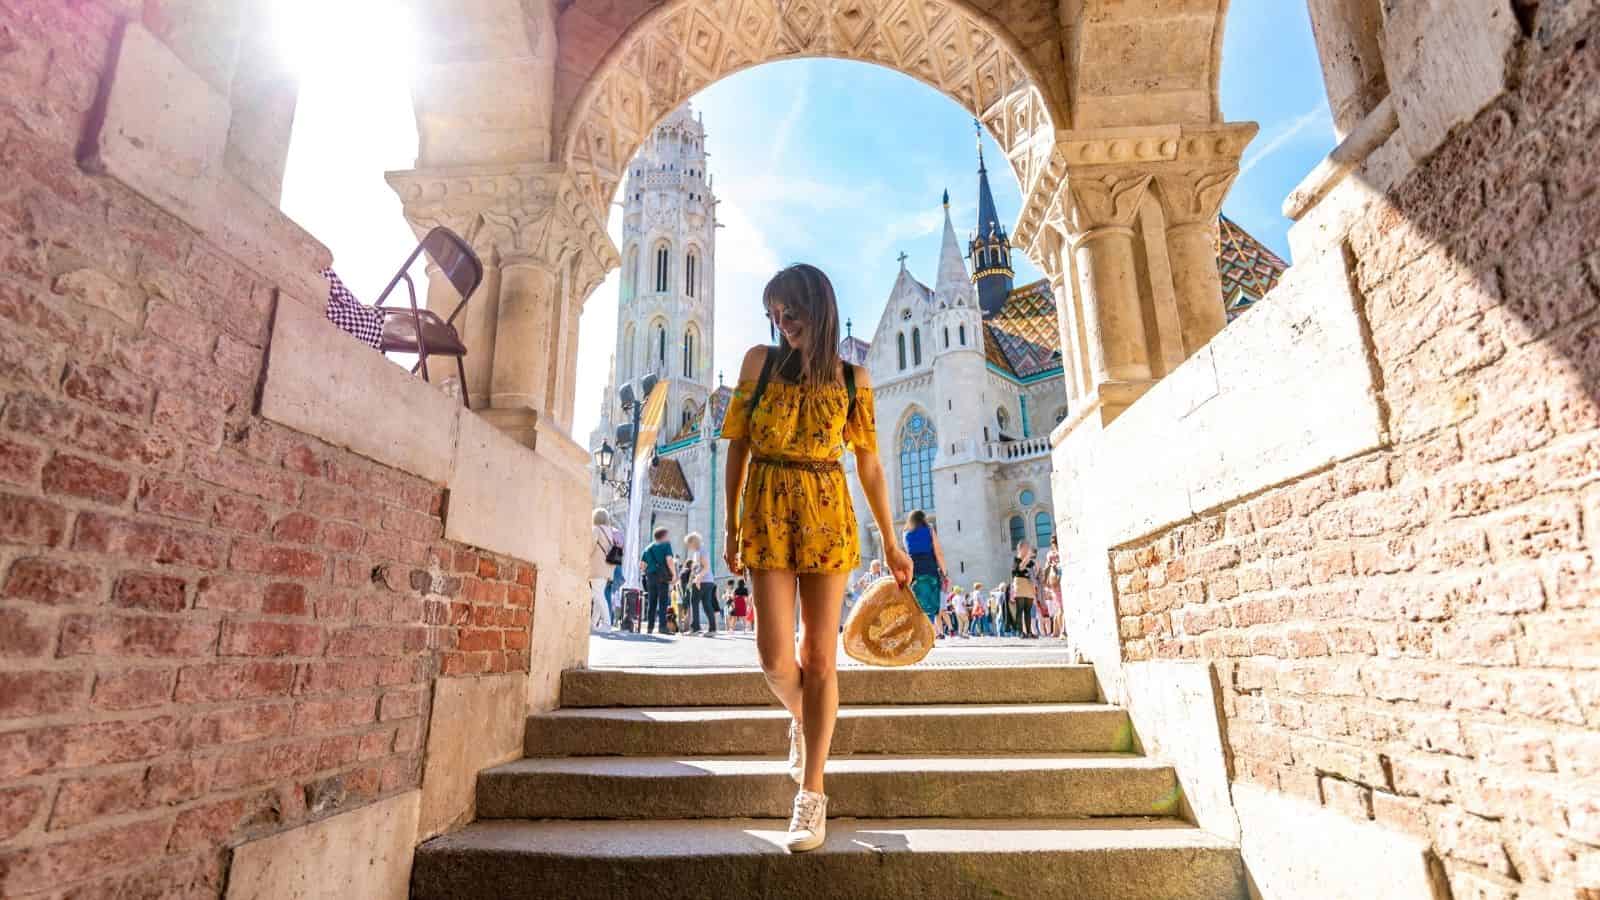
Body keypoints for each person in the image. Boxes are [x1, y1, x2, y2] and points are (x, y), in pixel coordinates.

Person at [721, 264, 911, 854]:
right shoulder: (760, 361)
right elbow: (739, 446)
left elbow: (871, 466)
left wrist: (892, 536)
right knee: (776, 658)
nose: (783, 322)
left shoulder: (856, 381)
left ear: (819, 306)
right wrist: (730, 524)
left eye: (792, 310)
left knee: (819, 657)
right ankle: (805, 720)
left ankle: (812, 793)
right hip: (768, 508)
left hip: (828, 511)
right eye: (775, 313)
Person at [902, 510, 947, 626]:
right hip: (929, 569)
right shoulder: (929, 529)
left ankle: (919, 636)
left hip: (913, 571)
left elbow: (907, 552)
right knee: (930, 605)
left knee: (916, 604)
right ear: (923, 519)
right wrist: (944, 572)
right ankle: (928, 636)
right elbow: (938, 552)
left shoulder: (905, 532)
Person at [640, 527, 676, 634]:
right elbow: (669, 560)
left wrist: (650, 571)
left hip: (650, 577)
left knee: (652, 602)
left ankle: (650, 628)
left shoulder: (647, 548)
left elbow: (642, 566)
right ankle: (662, 627)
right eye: (668, 535)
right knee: (663, 602)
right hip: (662, 577)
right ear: (663, 536)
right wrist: (674, 574)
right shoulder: (666, 545)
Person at [684, 533, 720, 634]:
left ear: (693, 542)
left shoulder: (701, 551)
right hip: (707, 581)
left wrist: (698, 579)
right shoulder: (698, 552)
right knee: (707, 604)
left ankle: (695, 628)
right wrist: (692, 580)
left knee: (694, 602)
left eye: (688, 543)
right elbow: (696, 569)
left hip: (703, 581)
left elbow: (706, 567)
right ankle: (712, 629)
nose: (688, 546)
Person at [589, 509, 619, 631]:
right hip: (608, 568)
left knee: (598, 595)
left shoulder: (596, 529)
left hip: (597, 567)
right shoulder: (611, 531)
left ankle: (607, 624)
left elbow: (590, 546)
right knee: (598, 596)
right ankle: (593, 624)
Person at [1012, 540, 1039, 639]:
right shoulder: (1016, 559)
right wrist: (1028, 557)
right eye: (1027, 547)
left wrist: (1036, 565)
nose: (1028, 549)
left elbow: (1035, 573)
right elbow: (1020, 568)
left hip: (1028, 585)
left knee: (1028, 610)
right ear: (1021, 548)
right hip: (1020, 584)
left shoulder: (1031, 561)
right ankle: (1020, 632)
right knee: (1020, 609)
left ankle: (1029, 632)